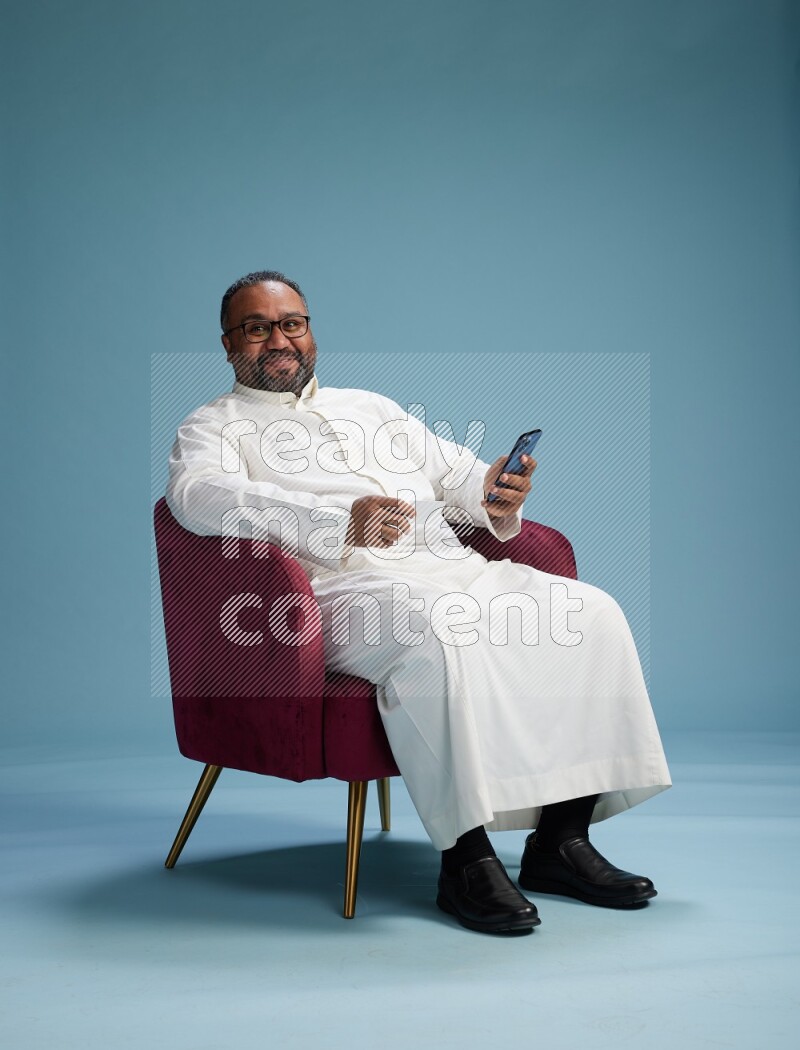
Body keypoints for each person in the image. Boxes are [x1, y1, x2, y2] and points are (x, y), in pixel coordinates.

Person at [166, 270, 672, 935]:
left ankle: (561, 841)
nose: (280, 340)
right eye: (257, 328)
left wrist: (493, 490)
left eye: (292, 324)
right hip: (335, 592)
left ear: (310, 330)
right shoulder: (212, 426)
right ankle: (465, 861)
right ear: (229, 343)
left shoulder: (371, 408)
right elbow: (199, 499)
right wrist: (338, 521)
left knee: (591, 614)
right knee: (438, 633)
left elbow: (453, 472)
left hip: (448, 565)